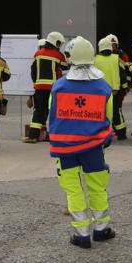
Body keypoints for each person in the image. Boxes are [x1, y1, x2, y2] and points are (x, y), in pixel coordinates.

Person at [48, 36, 115, 248]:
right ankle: (102, 229)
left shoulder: (58, 87)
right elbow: (109, 117)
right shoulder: (103, 88)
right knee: (97, 187)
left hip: (66, 149)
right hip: (94, 148)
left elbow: (52, 118)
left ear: (69, 58)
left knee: (74, 189)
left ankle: (82, 234)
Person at [25, 31, 68, 143]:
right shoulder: (58, 55)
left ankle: (33, 136)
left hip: (39, 88)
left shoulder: (38, 54)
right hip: (53, 88)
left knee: (38, 111)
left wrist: (35, 83)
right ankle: (55, 136)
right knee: (54, 111)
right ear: (55, 42)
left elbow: (33, 71)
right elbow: (65, 67)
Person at [94, 37, 125, 140]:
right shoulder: (117, 58)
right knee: (116, 113)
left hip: (99, 92)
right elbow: (122, 73)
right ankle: (121, 133)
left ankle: (99, 133)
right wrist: (124, 87)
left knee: (100, 113)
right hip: (114, 91)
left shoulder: (95, 60)